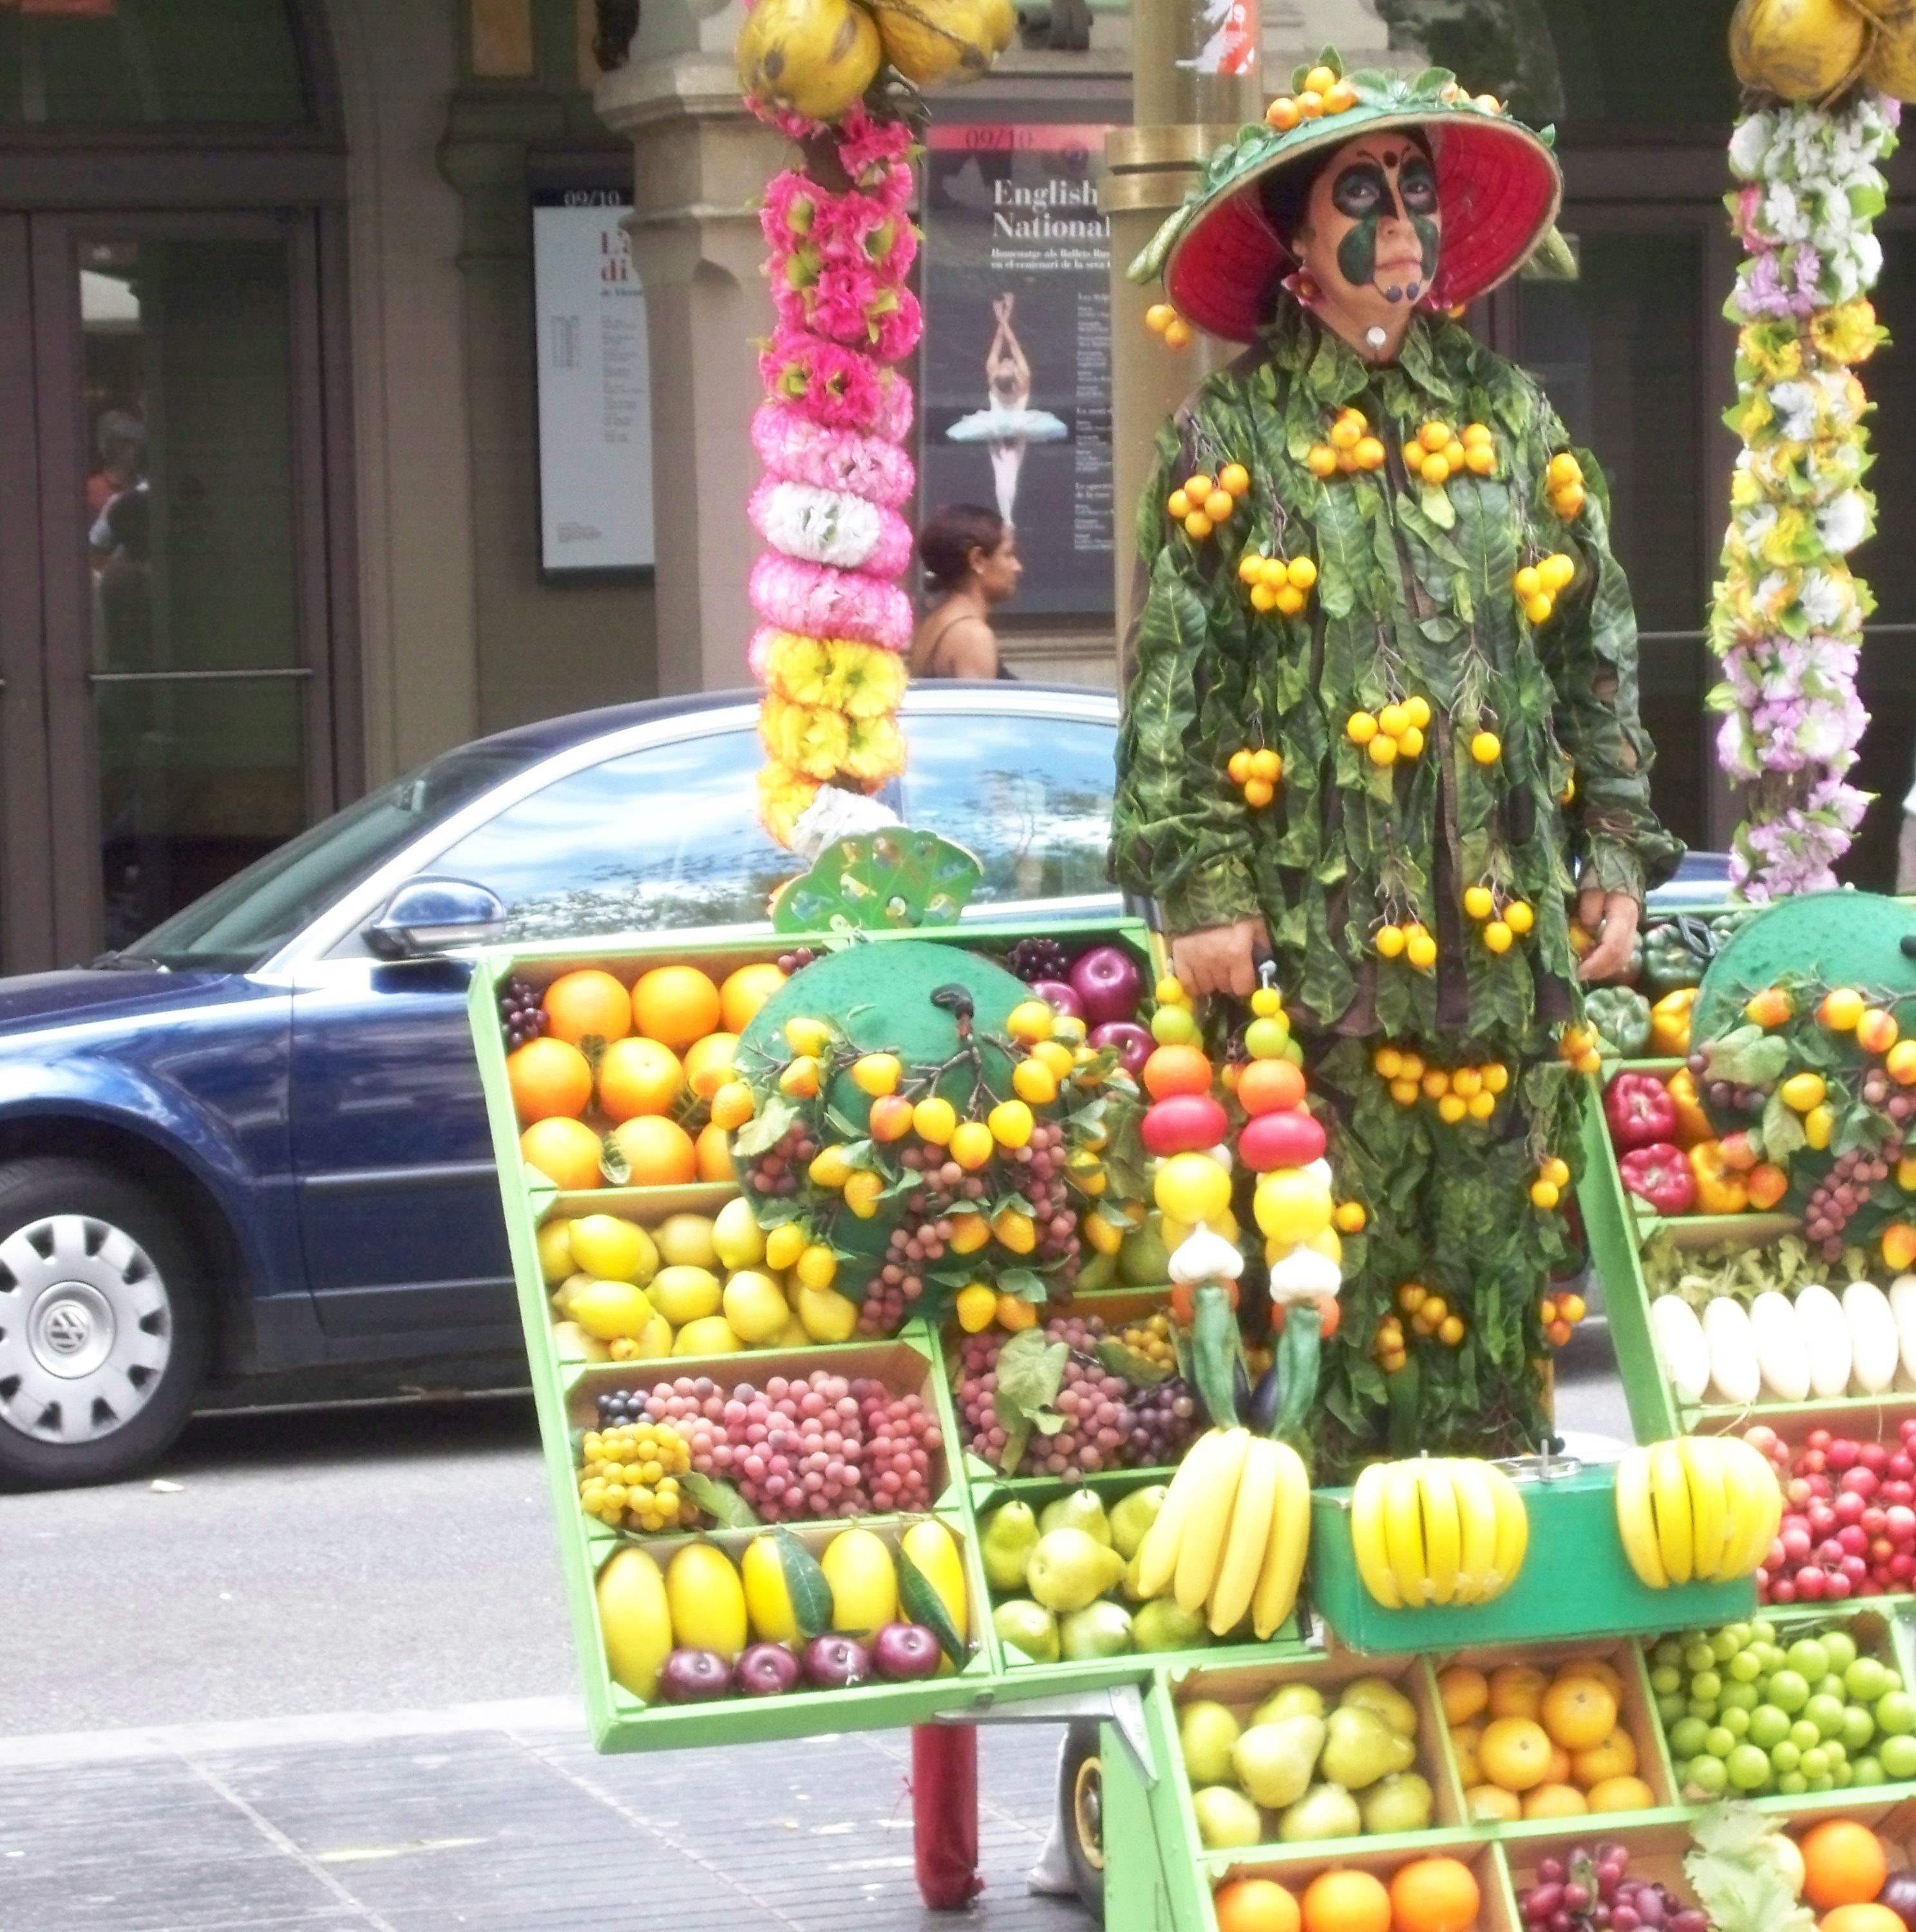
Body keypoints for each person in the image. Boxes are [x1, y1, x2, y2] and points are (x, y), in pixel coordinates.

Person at [1110, 64, 1682, 1475]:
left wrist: (1609, 847)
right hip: (1312, 943)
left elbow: (1588, 649)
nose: (1398, 219)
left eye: (1414, 187)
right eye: (1357, 194)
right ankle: (1332, 1567)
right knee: (1327, 1250)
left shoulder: (1512, 421)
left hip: (1496, 931)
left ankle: (1482, 1546)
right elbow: (1174, 683)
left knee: (1491, 1255)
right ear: (1294, 239)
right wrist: (1198, 882)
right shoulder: (1226, 438)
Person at [944, 294, 1066, 526]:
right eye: (1007, 364)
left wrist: (1002, 316)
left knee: (1003, 466)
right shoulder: (1024, 382)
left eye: (1005, 363)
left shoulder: (994, 378)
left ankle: (1006, 516)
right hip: (1019, 424)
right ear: (1013, 378)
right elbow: (1013, 346)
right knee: (1010, 467)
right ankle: (1006, 516)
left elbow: (1000, 347)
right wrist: (1005, 316)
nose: (1007, 360)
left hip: (997, 424)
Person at [912, 502, 1021, 679]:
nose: (1017, 567)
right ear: (977, 560)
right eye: (1008, 554)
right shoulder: (972, 636)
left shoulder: (933, 621)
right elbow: (977, 707)